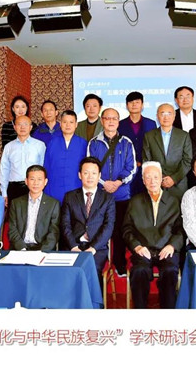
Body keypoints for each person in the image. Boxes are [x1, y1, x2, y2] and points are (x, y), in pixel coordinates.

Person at [123, 161, 184, 309]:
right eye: (148, 177)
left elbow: (181, 230)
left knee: (170, 271)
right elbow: (126, 229)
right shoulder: (135, 201)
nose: (152, 181)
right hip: (143, 250)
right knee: (139, 271)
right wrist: (137, 246)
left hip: (167, 249)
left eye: (156, 177)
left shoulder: (174, 201)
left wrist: (172, 246)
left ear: (161, 178)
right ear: (143, 181)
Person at [87, 108, 136, 276]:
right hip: (100, 194)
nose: (111, 121)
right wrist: (103, 183)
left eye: (114, 118)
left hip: (122, 195)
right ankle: (100, 264)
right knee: (99, 230)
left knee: (120, 231)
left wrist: (118, 182)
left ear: (118, 121)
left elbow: (131, 168)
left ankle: (119, 264)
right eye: (107, 118)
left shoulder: (127, 142)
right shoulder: (94, 143)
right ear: (102, 121)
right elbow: (90, 167)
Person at [61, 156, 116, 283]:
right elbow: (65, 224)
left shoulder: (108, 198)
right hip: (73, 246)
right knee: (68, 271)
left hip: (97, 248)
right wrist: (73, 246)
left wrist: (93, 248)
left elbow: (108, 226)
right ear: (80, 175)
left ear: (99, 175)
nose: (90, 177)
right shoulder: (70, 197)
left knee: (92, 269)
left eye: (94, 173)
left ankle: (94, 297)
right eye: (86, 173)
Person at [143, 103, 192, 201]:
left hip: (179, 184)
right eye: (162, 114)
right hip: (156, 184)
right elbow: (147, 161)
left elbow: (188, 160)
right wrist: (159, 178)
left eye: (169, 113)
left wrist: (174, 178)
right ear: (157, 116)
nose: (166, 117)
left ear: (174, 116)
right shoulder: (149, 136)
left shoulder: (184, 135)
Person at [8, 165, 60, 252]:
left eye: (39, 179)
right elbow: (12, 229)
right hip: (20, 249)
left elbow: (54, 232)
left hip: (42, 249)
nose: (36, 183)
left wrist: (42, 251)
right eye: (32, 179)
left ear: (45, 182)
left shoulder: (53, 204)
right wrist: (22, 249)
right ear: (26, 181)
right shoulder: (16, 203)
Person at [0, 115, 46, 207]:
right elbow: (4, 170)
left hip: (34, 187)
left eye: (25, 124)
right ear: (14, 127)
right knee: (15, 215)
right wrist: (4, 192)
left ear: (31, 127)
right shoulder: (9, 147)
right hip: (14, 188)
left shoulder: (40, 145)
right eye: (19, 124)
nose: (22, 127)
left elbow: (43, 168)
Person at [44, 110, 87, 203]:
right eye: (64, 122)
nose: (68, 125)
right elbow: (46, 166)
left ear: (76, 124)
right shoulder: (52, 143)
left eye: (71, 122)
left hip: (75, 187)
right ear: (60, 124)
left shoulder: (83, 143)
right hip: (54, 189)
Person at [118, 91, 157, 196]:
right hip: (126, 169)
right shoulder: (120, 125)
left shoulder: (151, 124)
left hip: (146, 169)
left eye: (137, 102)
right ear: (127, 105)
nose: (134, 105)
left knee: (146, 199)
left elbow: (154, 146)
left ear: (142, 105)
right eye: (131, 102)